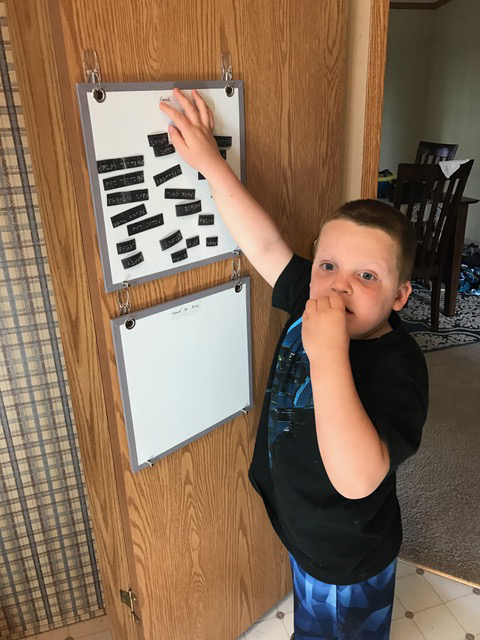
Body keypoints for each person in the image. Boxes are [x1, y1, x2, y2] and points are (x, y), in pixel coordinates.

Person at [159, 88, 429, 640]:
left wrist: (327, 350)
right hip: (302, 528)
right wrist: (210, 162)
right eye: (329, 264)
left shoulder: (397, 367)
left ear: (399, 298)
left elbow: (358, 480)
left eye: (368, 276)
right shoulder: (312, 292)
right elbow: (261, 240)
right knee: (311, 622)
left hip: (349, 553)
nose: (339, 284)